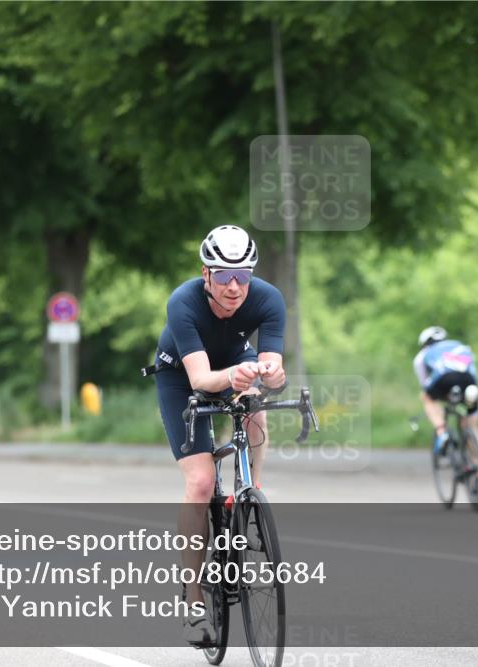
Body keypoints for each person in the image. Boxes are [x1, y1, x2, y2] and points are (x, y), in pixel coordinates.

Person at [150, 225, 286, 645]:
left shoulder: (268, 299)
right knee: (201, 481)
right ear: (205, 273)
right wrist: (235, 376)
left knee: (255, 407)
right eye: (224, 275)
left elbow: (272, 369)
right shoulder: (183, 302)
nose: (233, 286)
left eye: (242, 276)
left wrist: (272, 375)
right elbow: (202, 379)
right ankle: (193, 602)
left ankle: (251, 495)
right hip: (182, 375)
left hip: (233, 362)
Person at [413, 326, 478, 457]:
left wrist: (433, 395)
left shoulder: (423, 354)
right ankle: (477, 463)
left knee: (427, 397)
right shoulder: (461, 346)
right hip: (468, 381)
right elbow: (473, 372)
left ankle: (442, 433)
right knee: (472, 426)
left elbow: (424, 383)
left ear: (424, 343)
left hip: (443, 379)